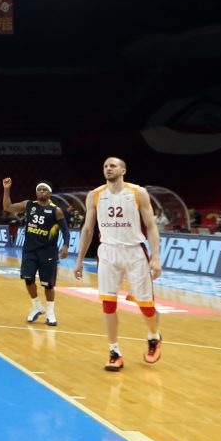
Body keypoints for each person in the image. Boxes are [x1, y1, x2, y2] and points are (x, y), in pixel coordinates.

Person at [73, 157, 162, 372]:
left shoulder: (138, 193)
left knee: (146, 306)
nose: (108, 168)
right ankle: (114, 352)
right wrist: (79, 260)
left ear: (123, 170)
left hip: (135, 252)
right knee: (108, 304)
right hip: (108, 252)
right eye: (105, 166)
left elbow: (151, 226)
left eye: (112, 165)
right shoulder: (95, 195)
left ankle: (154, 336)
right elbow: (88, 229)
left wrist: (156, 257)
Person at [2, 178, 70, 326]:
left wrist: (65, 245)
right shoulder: (29, 205)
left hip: (48, 252)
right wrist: (6, 189)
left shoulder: (56, 210)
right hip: (29, 250)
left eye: (44, 189)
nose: (41, 192)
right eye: (39, 189)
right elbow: (7, 207)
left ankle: (50, 312)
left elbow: (65, 230)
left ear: (50, 193)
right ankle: (37, 305)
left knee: (48, 285)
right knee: (28, 279)